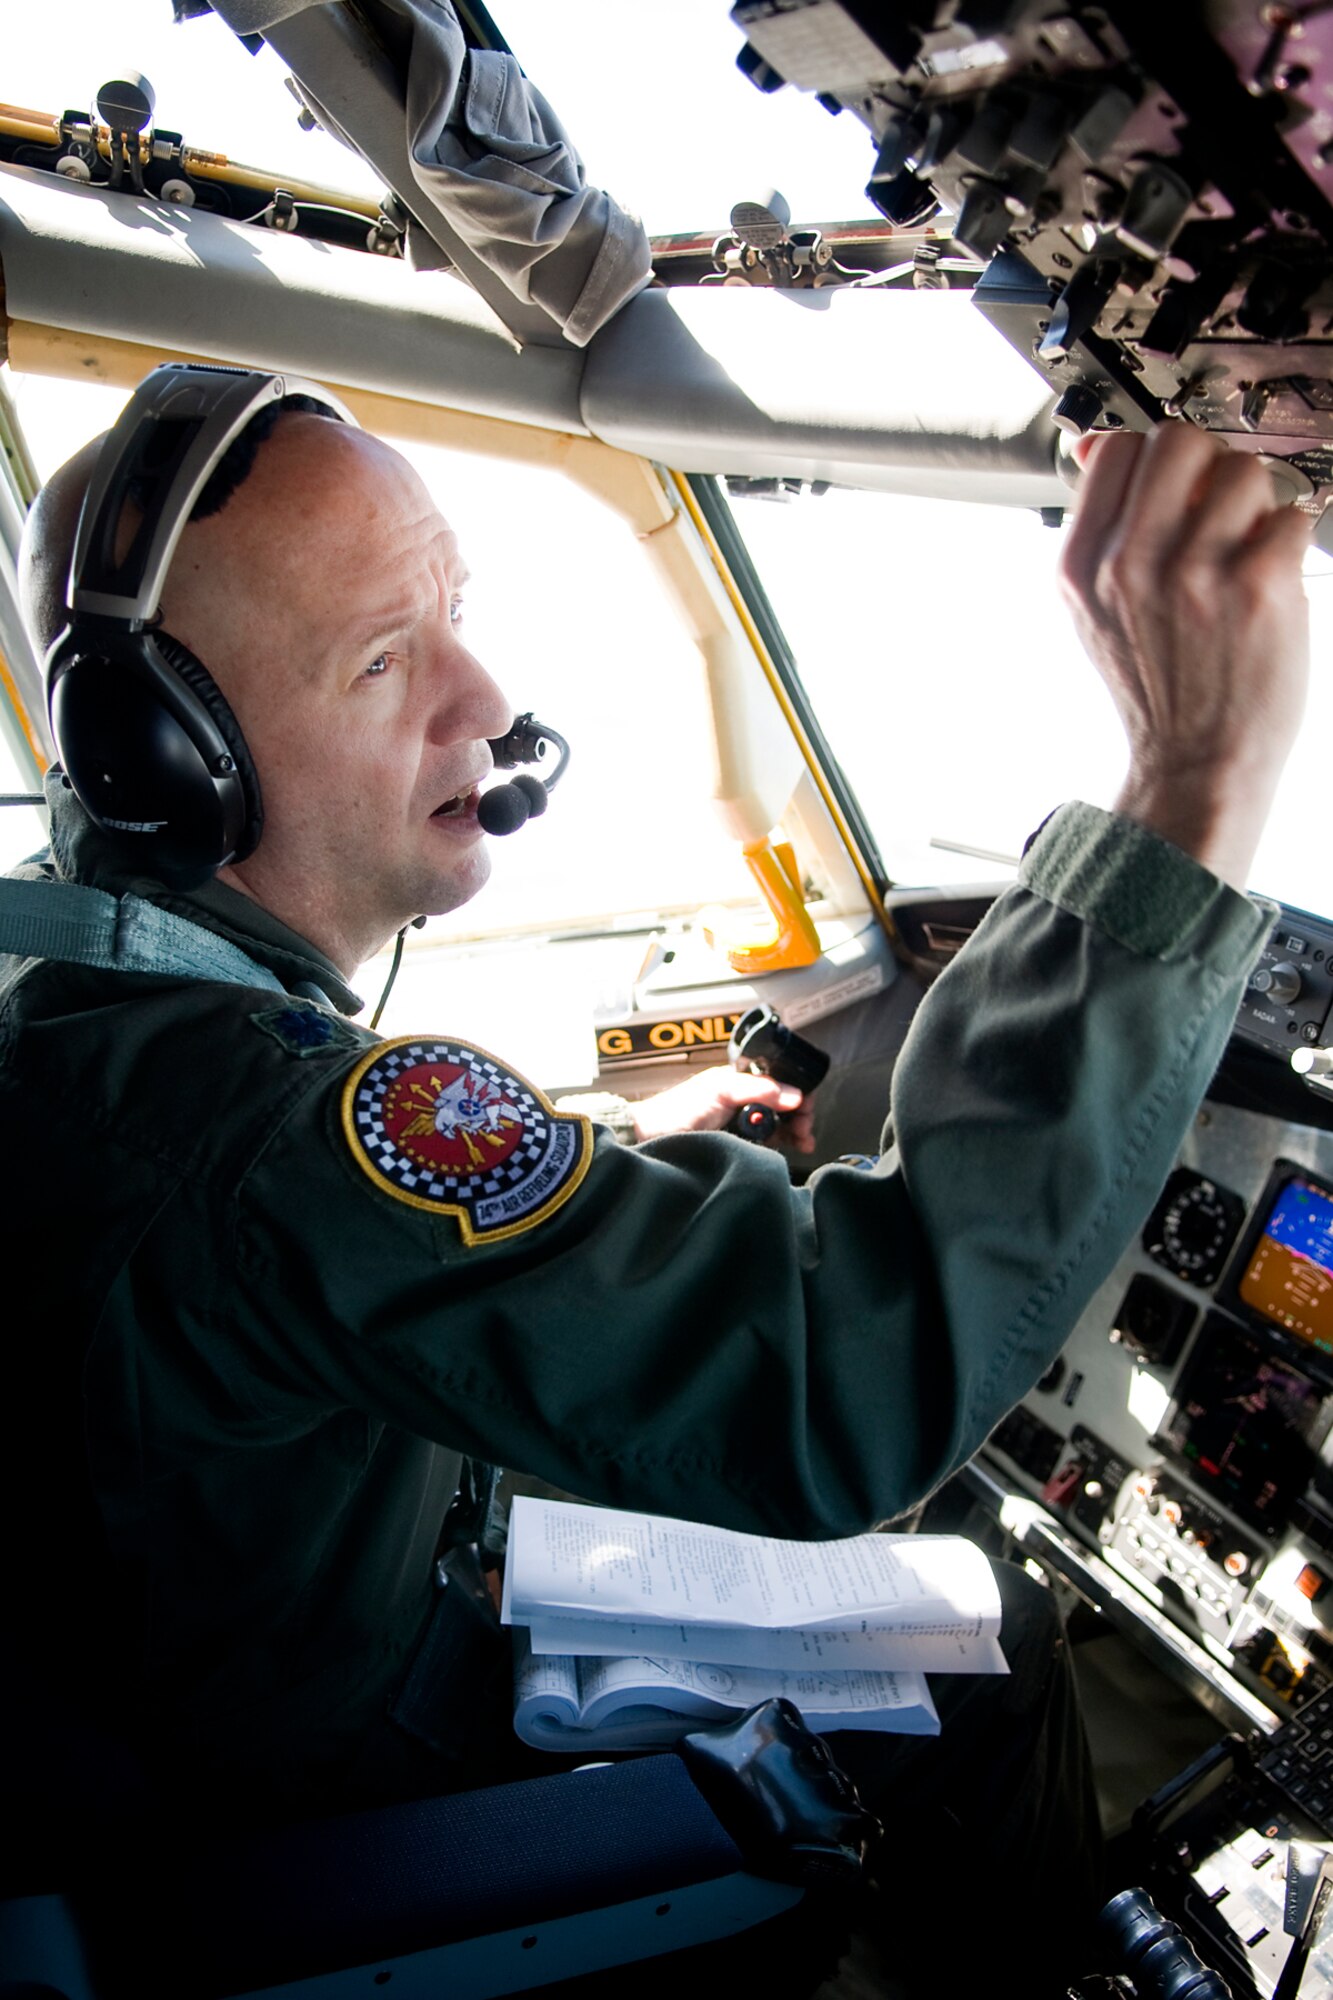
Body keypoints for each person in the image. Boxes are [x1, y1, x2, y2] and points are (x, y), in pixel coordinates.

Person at [0, 381, 1309, 1988]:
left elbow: (296, 1260)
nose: (481, 695)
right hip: (339, 1781)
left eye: (455, 612)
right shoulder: (268, 1125)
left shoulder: (81, 1021)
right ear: (169, 763)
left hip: (205, 1685)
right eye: (383, 658)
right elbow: (852, 1369)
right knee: (995, 1639)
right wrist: (1192, 784)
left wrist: (601, 1165)